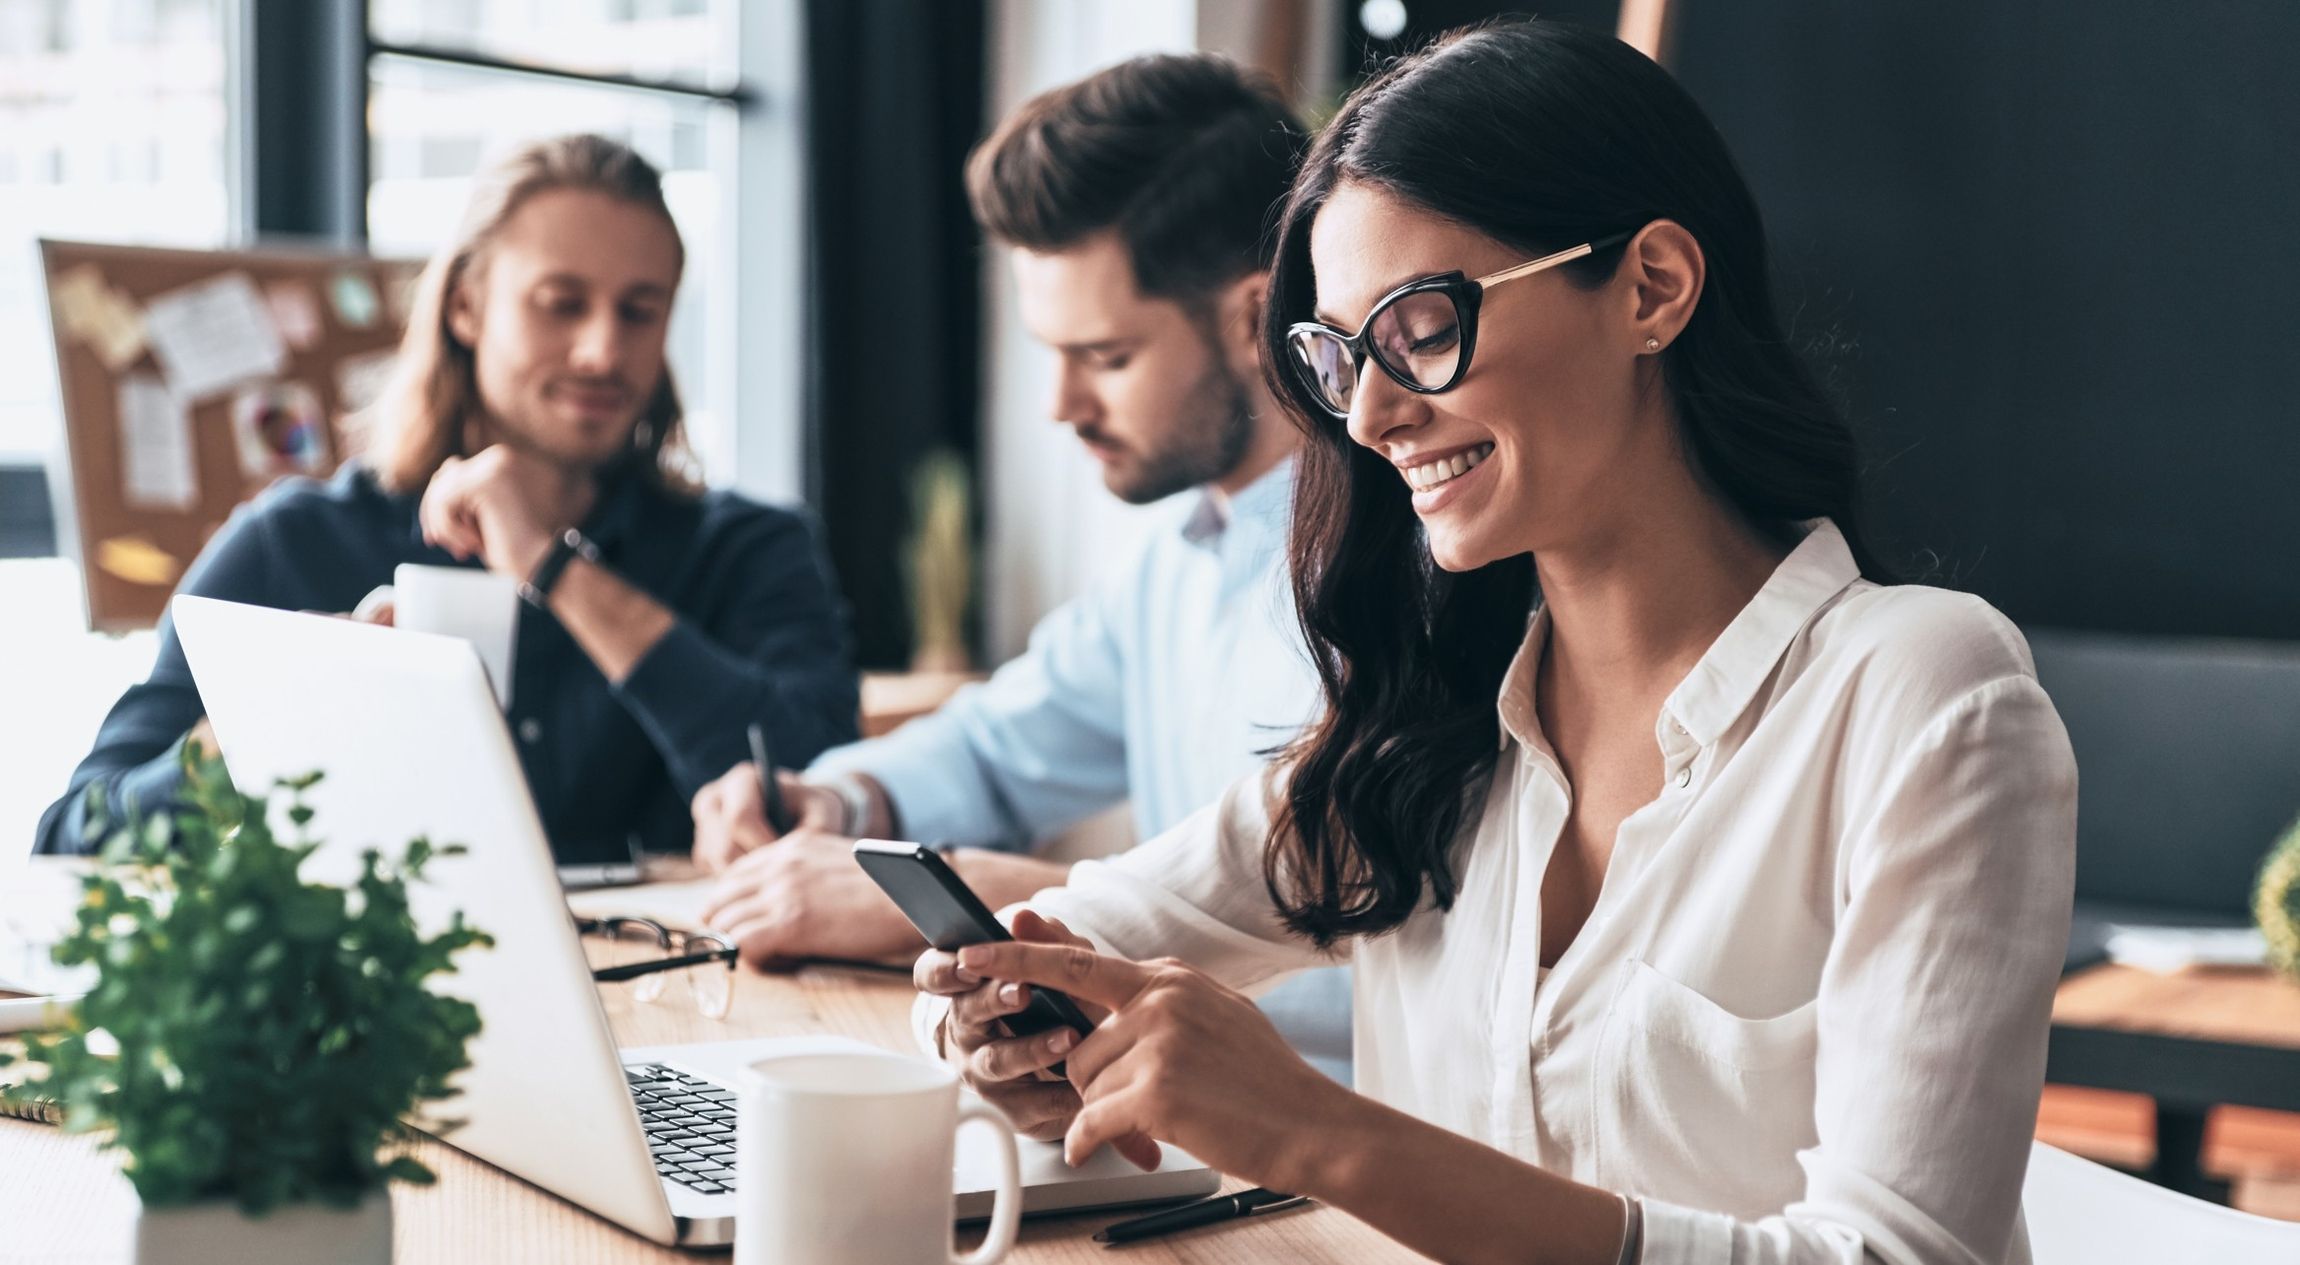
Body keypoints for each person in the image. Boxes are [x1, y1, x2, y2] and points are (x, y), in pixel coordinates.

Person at [917, 21, 2076, 1264]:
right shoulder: (1422, 728)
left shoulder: (1922, 693)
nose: (1365, 414)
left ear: (1651, 288)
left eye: (1419, 327)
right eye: (1338, 353)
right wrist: (999, 1023)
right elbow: (1073, 931)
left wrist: (1314, 1130)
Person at [689, 54, 1354, 1081]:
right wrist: (838, 804)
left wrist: (1010, 896)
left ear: (1251, 316)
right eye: (1050, 350)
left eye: (1105, 355)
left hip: (1325, 1159)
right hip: (1168, 1120)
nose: (1059, 404)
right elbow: (998, 748)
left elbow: (1371, 952)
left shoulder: (1394, 577)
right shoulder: (1177, 560)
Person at [37, 134, 858, 864]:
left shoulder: (751, 547)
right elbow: (74, 837)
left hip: (697, 1015)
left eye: (640, 312)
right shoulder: (294, 543)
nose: (604, 349)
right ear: (466, 305)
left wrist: (554, 567)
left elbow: (815, 799)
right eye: (561, 304)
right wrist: (266, 717)